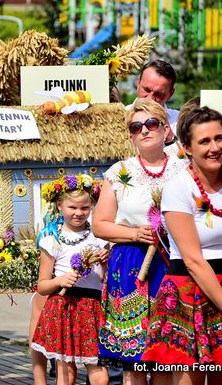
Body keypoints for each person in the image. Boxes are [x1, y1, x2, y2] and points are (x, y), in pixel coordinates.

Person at [93, 98, 188, 385]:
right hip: (131, 265)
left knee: (168, 352)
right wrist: (135, 233)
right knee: (133, 356)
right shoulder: (119, 172)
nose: (145, 130)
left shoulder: (184, 168)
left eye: (151, 124)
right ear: (131, 135)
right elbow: (100, 224)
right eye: (136, 127)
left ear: (166, 129)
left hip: (174, 262)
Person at [142, 107, 222, 384]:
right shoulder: (179, 188)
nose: (215, 147)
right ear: (186, 147)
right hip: (191, 290)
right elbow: (193, 260)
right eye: (205, 141)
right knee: (191, 377)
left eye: (220, 138)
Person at [32, 174, 109, 385]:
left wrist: (105, 262)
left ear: (92, 206)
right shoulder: (52, 238)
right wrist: (60, 280)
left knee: (98, 367)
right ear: (60, 205)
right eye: (72, 208)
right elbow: (42, 286)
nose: (78, 213)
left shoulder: (99, 236)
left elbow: (108, 279)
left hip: (92, 307)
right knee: (66, 371)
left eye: (84, 208)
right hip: (63, 307)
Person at [128, 60, 178, 144]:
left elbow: (187, 156)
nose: (150, 98)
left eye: (158, 94)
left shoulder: (179, 121)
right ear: (138, 83)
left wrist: (170, 137)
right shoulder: (120, 117)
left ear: (171, 93)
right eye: (146, 90)